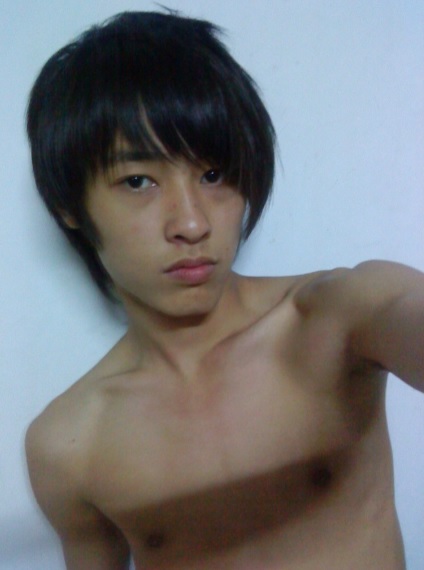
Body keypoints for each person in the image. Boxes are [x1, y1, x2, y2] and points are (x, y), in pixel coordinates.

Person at [24, 10, 423, 570]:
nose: (192, 223)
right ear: (69, 205)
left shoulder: (336, 320)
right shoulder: (68, 445)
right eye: (138, 181)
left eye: (214, 175)